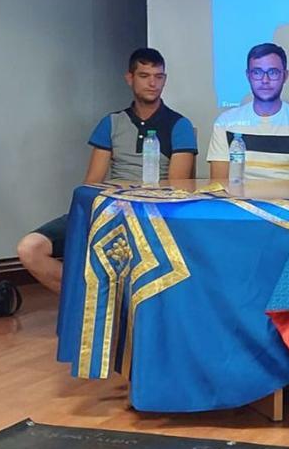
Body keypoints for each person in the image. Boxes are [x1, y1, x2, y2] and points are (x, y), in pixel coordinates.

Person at [16, 48, 197, 293]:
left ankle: (111, 302)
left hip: (155, 216)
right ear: (130, 78)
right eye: (145, 76)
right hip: (110, 211)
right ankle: (90, 300)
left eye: (159, 76)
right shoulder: (111, 123)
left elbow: (177, 188)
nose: (153, 83)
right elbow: (92, 184)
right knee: (30, 248)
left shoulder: (179, 125)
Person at [207, 42, 289, 181]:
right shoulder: (226, 122)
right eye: (257, 72)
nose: (265, 80)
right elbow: (220, 186)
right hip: (238, 201)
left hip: (286, 202)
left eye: (273, 72)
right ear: (248, 76)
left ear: (285, 76)